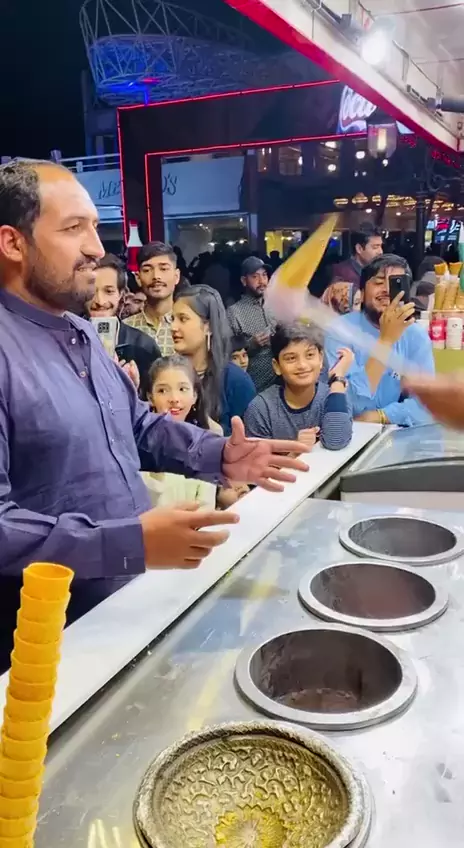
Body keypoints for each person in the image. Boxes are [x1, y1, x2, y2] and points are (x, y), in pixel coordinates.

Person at [0, 159, 309, 668]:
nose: (96, 249)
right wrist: (128, 542)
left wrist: (220, 455)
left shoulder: (81, 332)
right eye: (73, 228)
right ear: (13, 243)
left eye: (94, 227)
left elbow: (137, 425)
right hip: (53, 641)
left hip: (131, 604)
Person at [325, 254, 434, 426]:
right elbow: (349, 404)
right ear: (362, 292)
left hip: (393, 432)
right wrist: (385, 341)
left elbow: (427, 405)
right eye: (379, 282)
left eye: (396, 283)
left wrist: (381, 415)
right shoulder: (340, 330)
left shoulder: (415, 335)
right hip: (345, 430)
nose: (387, 290)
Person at [245, 323, 353, 450]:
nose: (302, 365)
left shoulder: (335, 397)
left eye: (310, 355)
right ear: (277, 366)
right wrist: (295, 448)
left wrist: (337, 380)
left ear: (320, 359)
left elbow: (336, 441)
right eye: (291, 358)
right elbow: (257, 459)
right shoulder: (261, 408)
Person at [172, 285, 256, 435]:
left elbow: (250, 439)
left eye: (183, 319)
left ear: (208, 326)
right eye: (172, 319)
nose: (173, 327)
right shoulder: (167, 375)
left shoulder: (236, 381)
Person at [86, 253, 161, 395]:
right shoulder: (68, 340)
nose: (100, 301)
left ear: (121, 294)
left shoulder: (143, 345)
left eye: (109, 291)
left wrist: (132, 389)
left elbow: (154, 400)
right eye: (92, 291)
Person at [227, 256, 276, 392]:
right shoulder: (234, 312)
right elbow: (226, 350)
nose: (262, 281)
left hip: (280, 382)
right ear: (244, 281)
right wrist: (251, 344)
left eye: (264, 275)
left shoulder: (275, 304)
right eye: (255, 277)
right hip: (253, 385)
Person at [124, 241, 179, 355]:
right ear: (138, 278)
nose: (156, 276)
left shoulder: (187, 325)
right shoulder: (125, 328)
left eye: (163, 269)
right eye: (147, 270)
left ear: (176, 276)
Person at [330, 223, 383, 289]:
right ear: (359, 249)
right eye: (375, 247)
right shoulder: (340, 274)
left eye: (381, 246)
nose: (381, 252)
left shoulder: (380, 270)